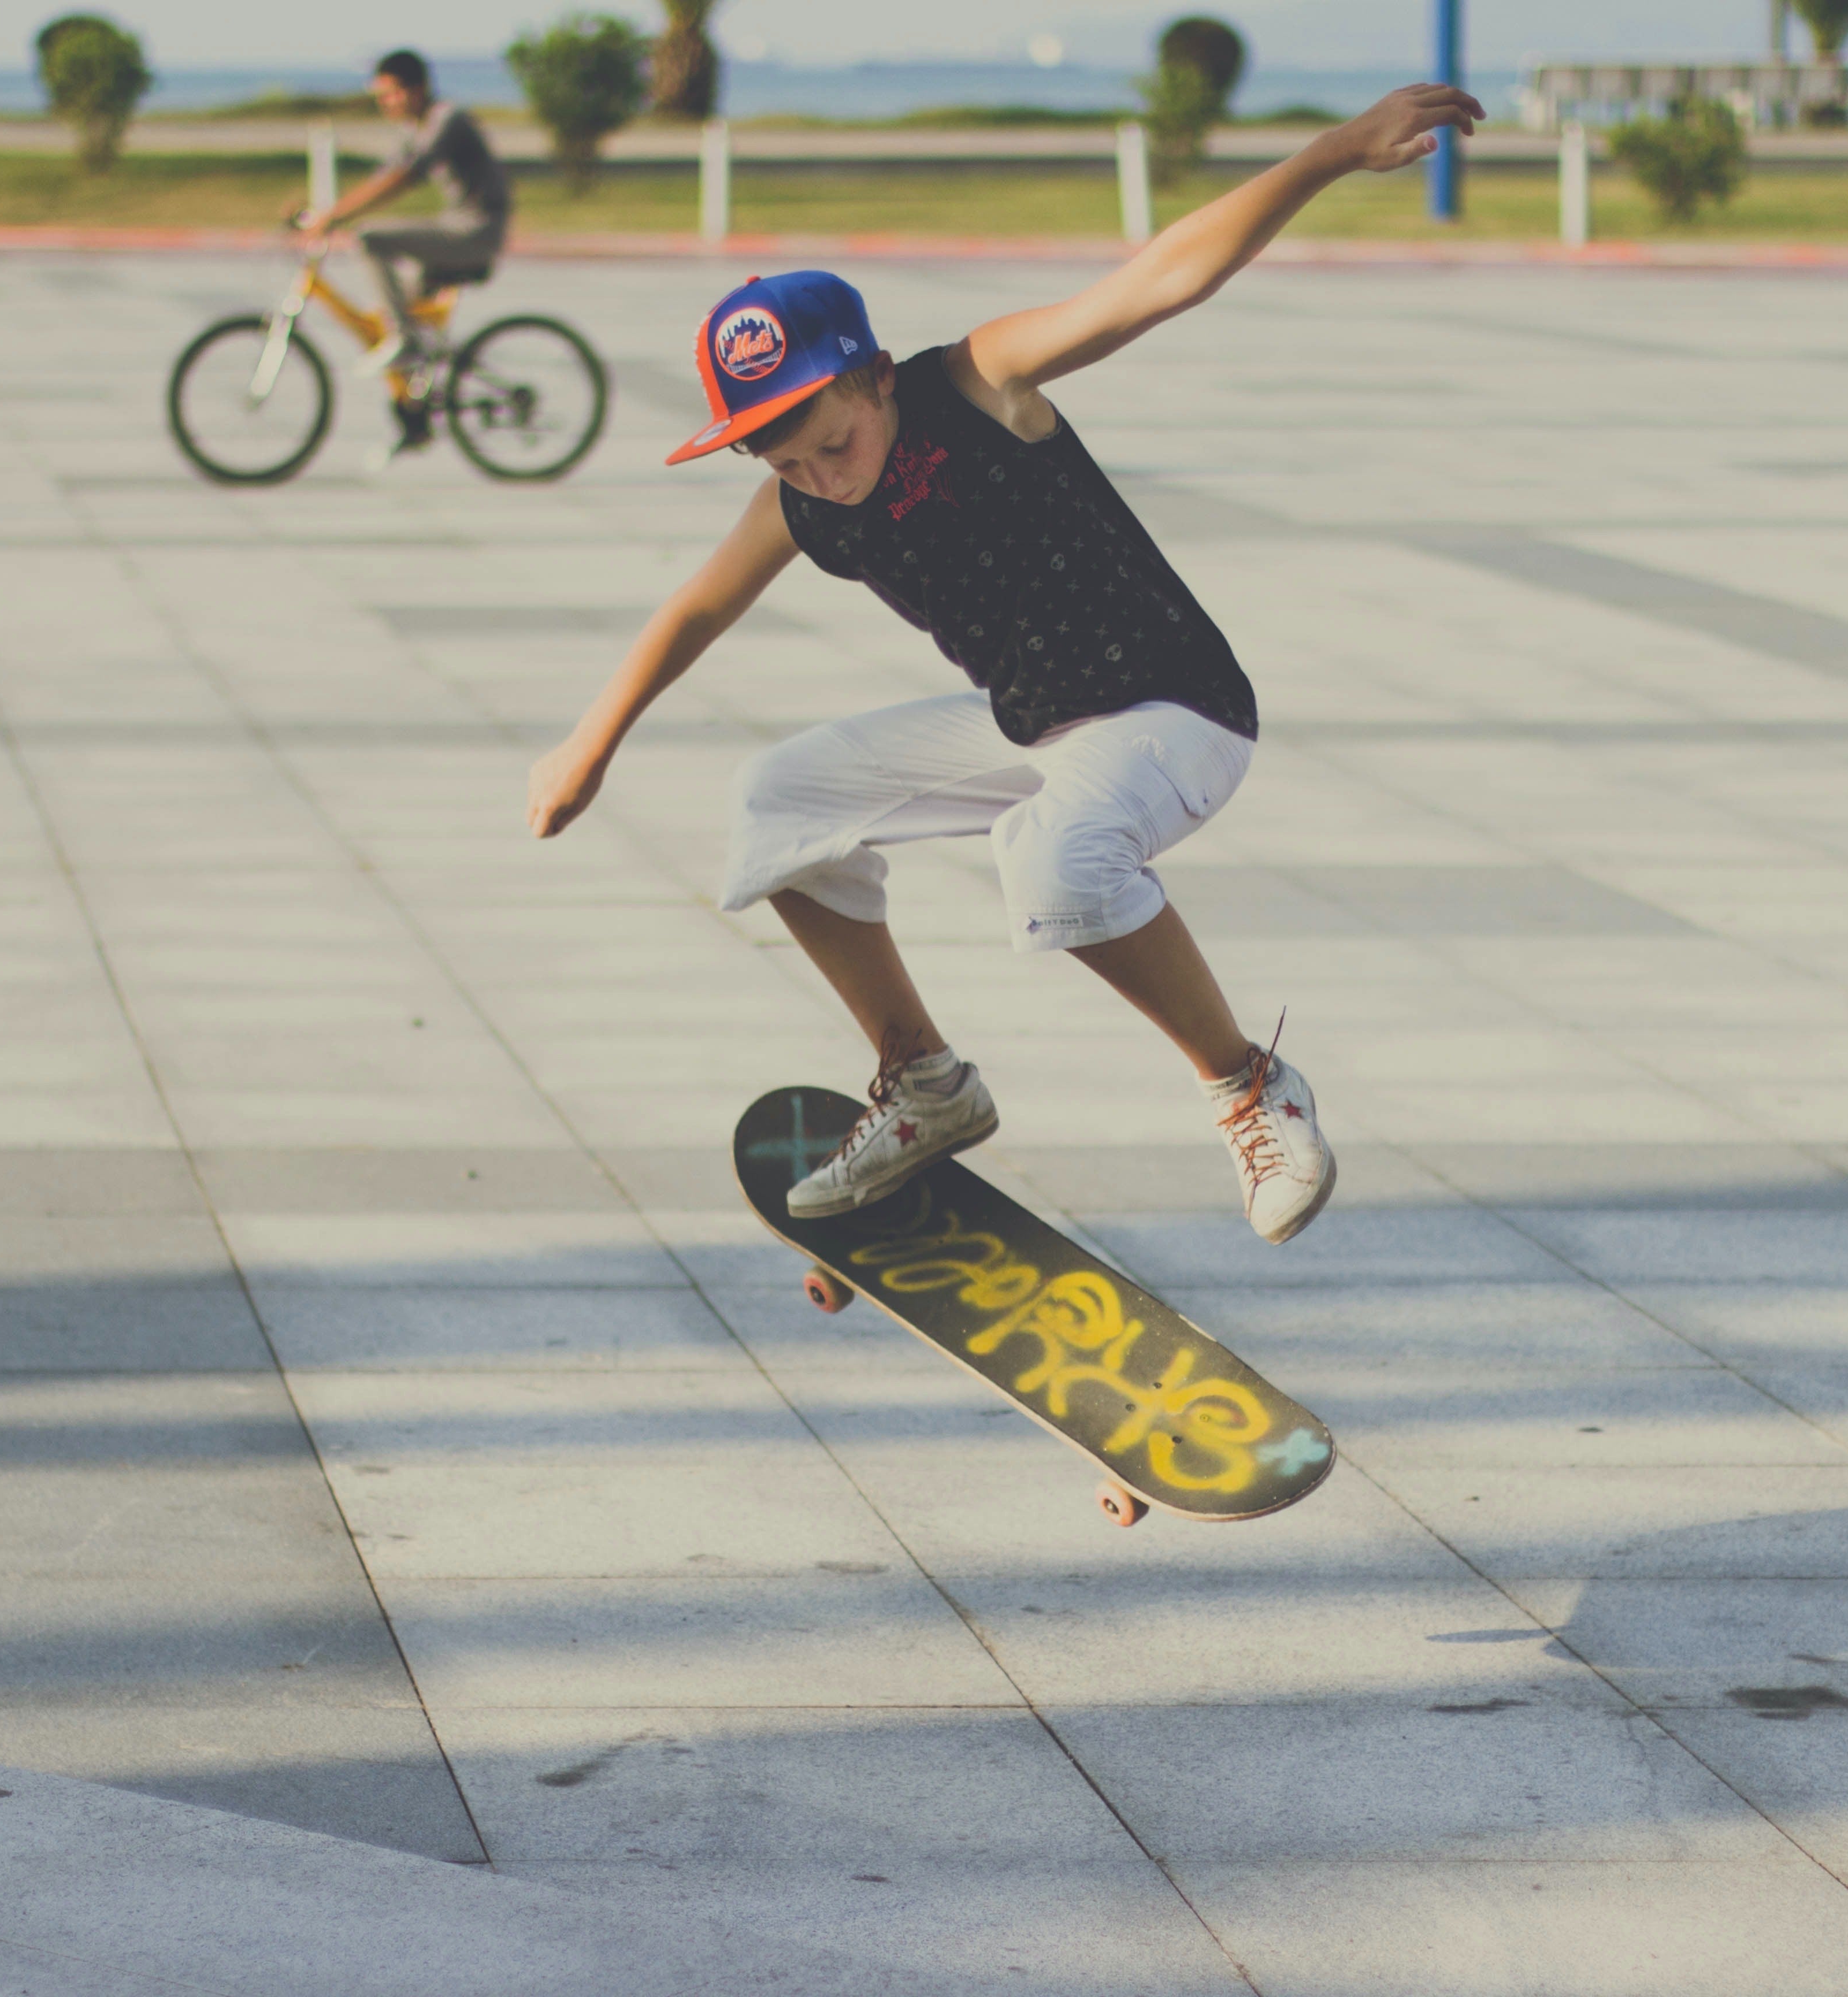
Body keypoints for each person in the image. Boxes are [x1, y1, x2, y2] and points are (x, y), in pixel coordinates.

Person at [525, 84, 1485, 1245]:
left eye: (836, 439)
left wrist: (1331, 155)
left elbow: (1162, 280)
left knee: (1052, 861)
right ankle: (924, 1082)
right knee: (778, 800)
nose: (828, 477)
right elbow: (695, 609)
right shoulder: (801, 500)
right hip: (1034, 725)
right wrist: (591, 742)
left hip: (1177, 710)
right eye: (789, 461)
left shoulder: (976, 383)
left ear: (876, 375)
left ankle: (1245, 1085)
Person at [295, 49, 512, 455]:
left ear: (417, 89)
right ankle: (415, 419)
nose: (384, 104)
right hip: (459, 227)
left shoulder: (447, 121)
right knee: (401, 311)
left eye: (391, 94)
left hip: (476, 232)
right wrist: (328, 213)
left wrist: (337, 218)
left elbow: (403, 178)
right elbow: (386, 173)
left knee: (370, 239)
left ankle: (404, 341)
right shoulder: (418, 128)